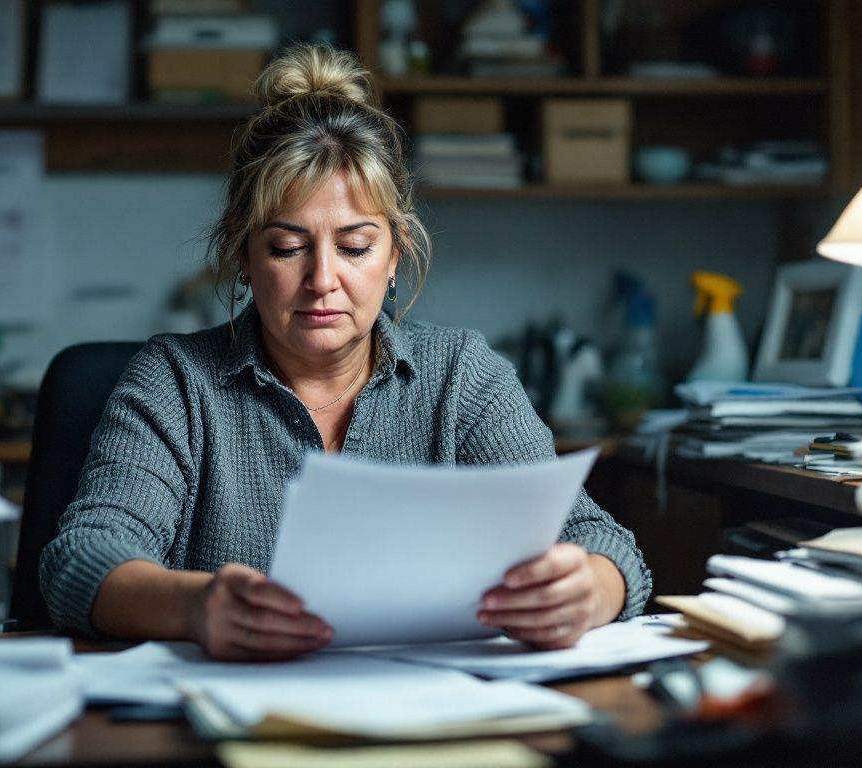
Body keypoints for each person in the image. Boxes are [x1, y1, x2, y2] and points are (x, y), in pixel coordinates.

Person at [41, 44, 651, 660]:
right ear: (243, 256)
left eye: (355, 246)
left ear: (395, 254)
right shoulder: (176, 381)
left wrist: (588, 589)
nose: (322, 280)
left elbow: (600, 541)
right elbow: (83, 560)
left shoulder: (463, 378)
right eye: (286, 248)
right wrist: (197, 607)